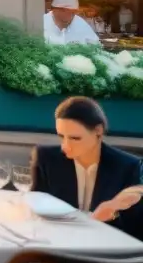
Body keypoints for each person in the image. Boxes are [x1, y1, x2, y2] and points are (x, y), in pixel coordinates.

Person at [32, 96, 143, 235]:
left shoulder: (127, 166)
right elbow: (34, 211)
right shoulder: (46, 158)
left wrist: (112, 212)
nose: (65, 146)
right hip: (56, 242)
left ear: (98, 131)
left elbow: (135, 229)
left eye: (75, 138)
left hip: (103, 248)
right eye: (61, 136)